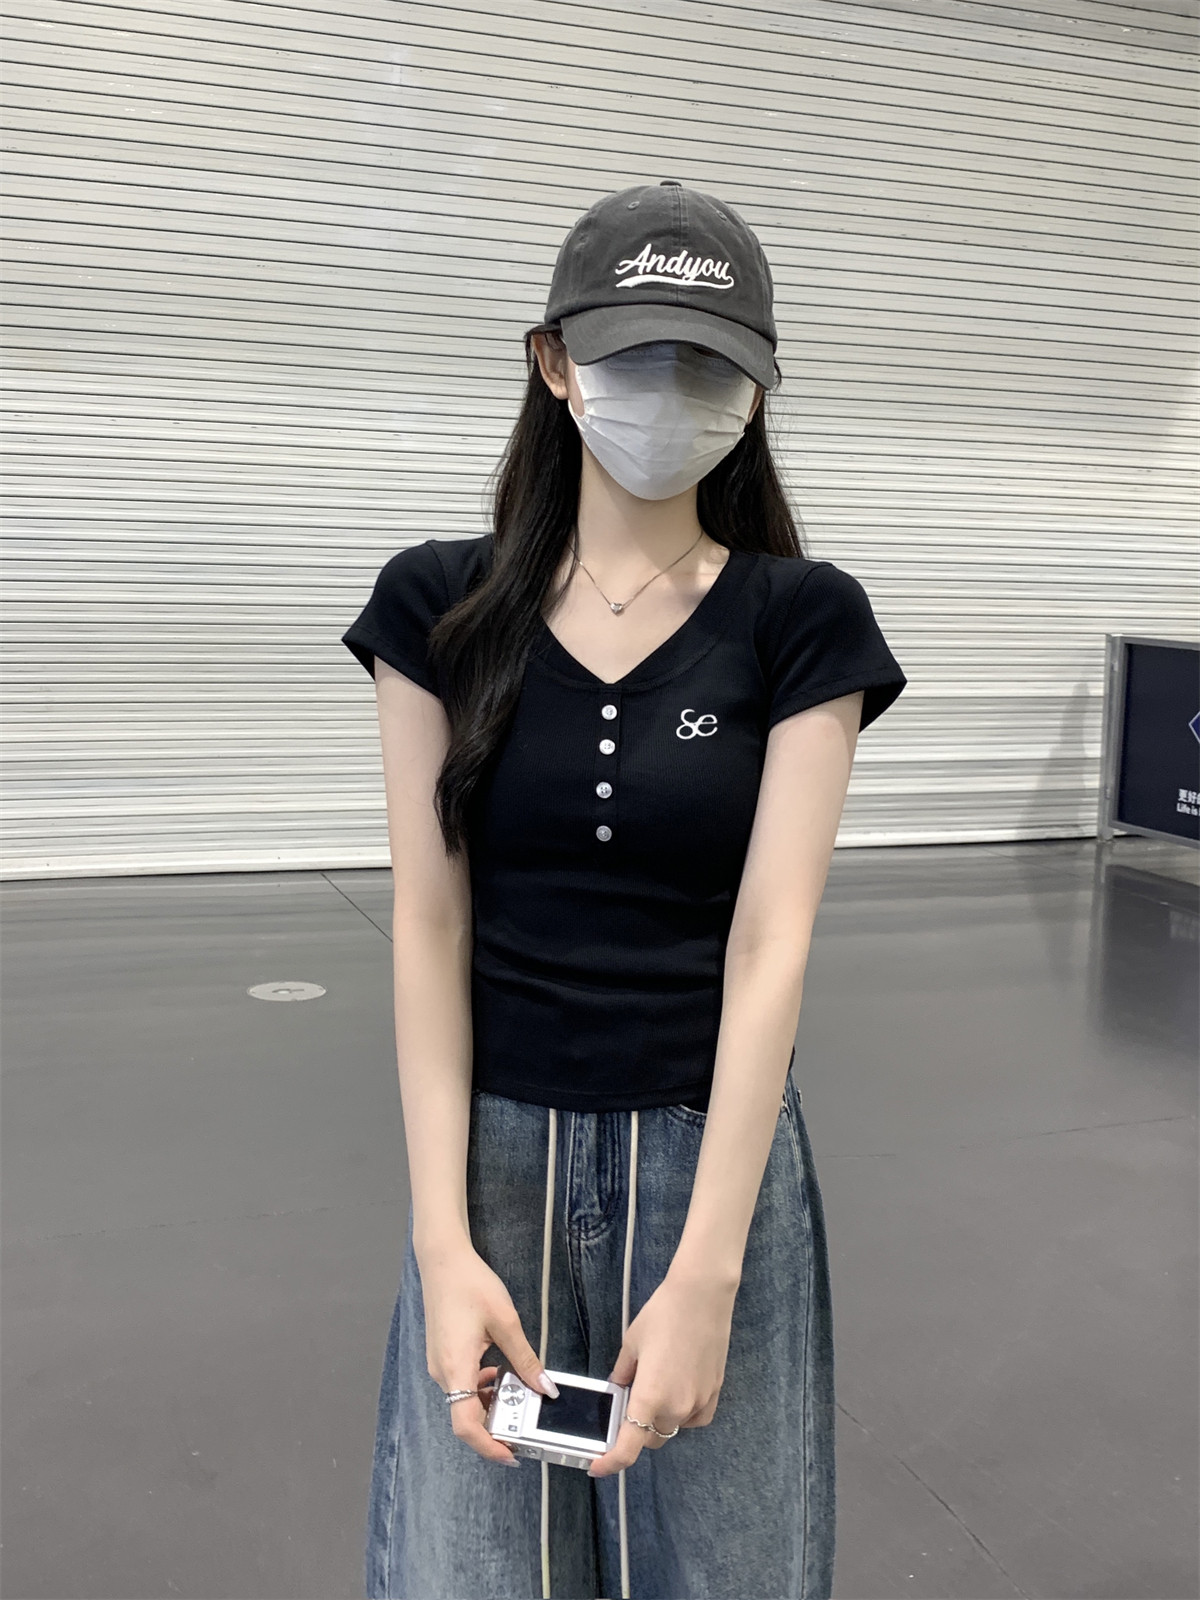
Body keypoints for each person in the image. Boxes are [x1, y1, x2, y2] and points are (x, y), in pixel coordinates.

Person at [341, 180, 907, 1600]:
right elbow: (430, 923)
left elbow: (771, 946)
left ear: (755, 391)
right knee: (474, 1569)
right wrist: (441, 1240)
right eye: (635, 354)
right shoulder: (436, 609)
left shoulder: (802, 621)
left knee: (725, 1568)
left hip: (708, 1164)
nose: (671, 392)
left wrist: (710, 1266)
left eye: (708, 364)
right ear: (555, 362)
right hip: (491, 1161)